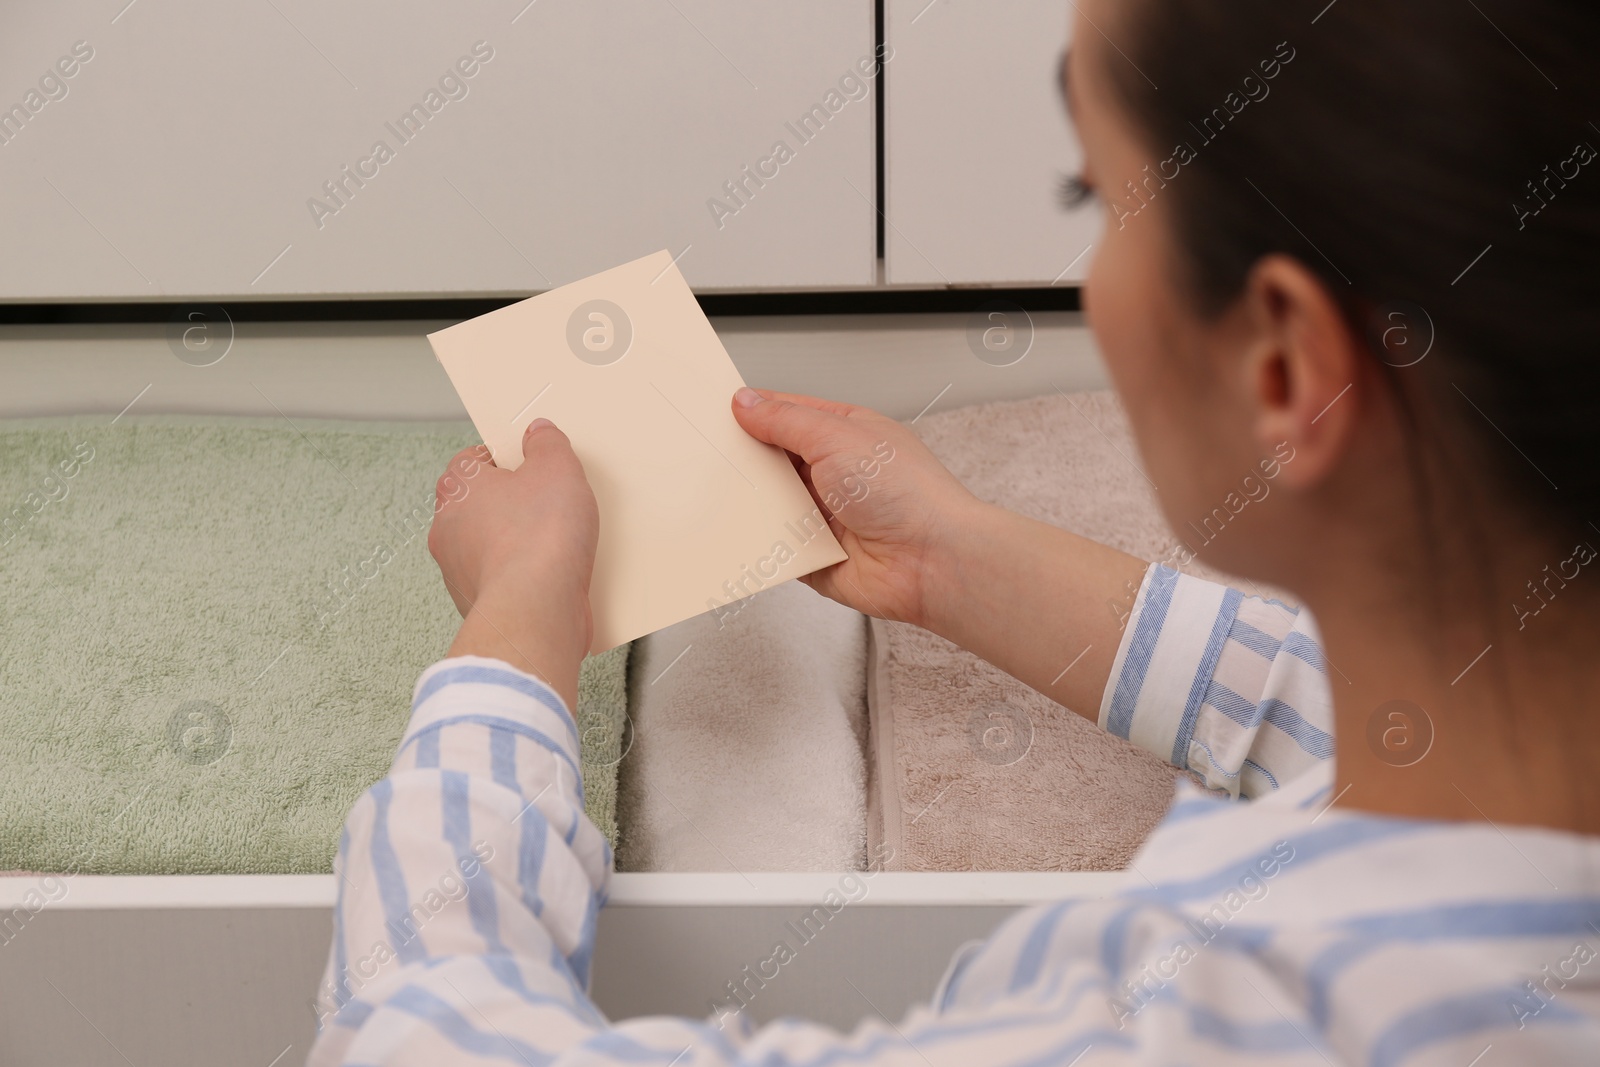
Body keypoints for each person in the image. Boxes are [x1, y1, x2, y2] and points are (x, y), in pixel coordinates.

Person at [309, 0, 1600, 1062]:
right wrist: (952, 557)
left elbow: (433, 1042)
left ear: (1284, 371)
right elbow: (1369, 708)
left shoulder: (1237, 1020)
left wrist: (514, 633)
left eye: (1094, 196)